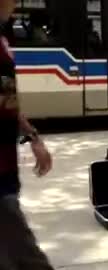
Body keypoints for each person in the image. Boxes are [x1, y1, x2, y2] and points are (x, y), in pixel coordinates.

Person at [0, 0, 54, 269]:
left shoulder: (1, 42)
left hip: (6, 167)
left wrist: (32, 136)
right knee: (27, 258)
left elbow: (6, 101)